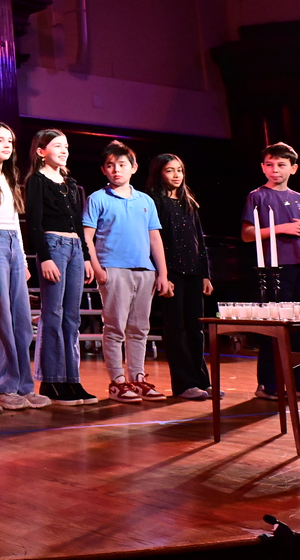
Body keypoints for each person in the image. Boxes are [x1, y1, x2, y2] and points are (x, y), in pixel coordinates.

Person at [82, 140, 171, 404]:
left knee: (139, 328)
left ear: (133, 168)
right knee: (115, 328)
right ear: (103, 170)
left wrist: (162, 273)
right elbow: (87, 236)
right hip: (114, 269)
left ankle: (138, 377)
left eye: (122, 165)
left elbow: (154, 238)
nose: (116, 170)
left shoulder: (145, 201)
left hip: (145, 270)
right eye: (110, 165)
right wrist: (98, 269)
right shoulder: (97, 199)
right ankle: (117, 381)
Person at [0, 123, 50, 410]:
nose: (7, 145)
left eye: (10, 140)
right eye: (0, 140)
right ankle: (1, 386)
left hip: (14, 246)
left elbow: (16, 221)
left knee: (21, 320)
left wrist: (24, 258)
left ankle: (23, 385)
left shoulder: (8, 175)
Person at [24, 129, 98, 406]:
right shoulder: (37, 181)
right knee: (52, 314)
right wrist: (43, 258)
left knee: (72, 317)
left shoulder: (71, 183)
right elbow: (34, 222)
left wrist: (88, 256)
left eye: (66, 146)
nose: (64, 150)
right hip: (53, 246)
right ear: (41, 151)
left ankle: (71, 379)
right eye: (57, 145)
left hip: (76, 248)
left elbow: (78, 225)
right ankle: (52, 381)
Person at [241, 142, 300, 400]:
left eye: (281, 165)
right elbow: (248, 235)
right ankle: (268, 384)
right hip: (275, 267)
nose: (275, 170)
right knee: (275, 326)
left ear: (293, 168)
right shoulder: (257, 196)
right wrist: (281, 228)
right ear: (263, 167)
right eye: (269, 165)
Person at [145, 153, 213, 401]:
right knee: (177, 328)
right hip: (172, 271)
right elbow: (154, 241)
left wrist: (205, 274)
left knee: (196, 328)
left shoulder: (188, 202)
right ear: (158, 173)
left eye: (180, 170)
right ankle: (184, 384)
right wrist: (161, 274)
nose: (176, 175)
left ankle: (201, 380)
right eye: (169, 170)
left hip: (194, 272)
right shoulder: (155, 202)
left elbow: (200, 241)